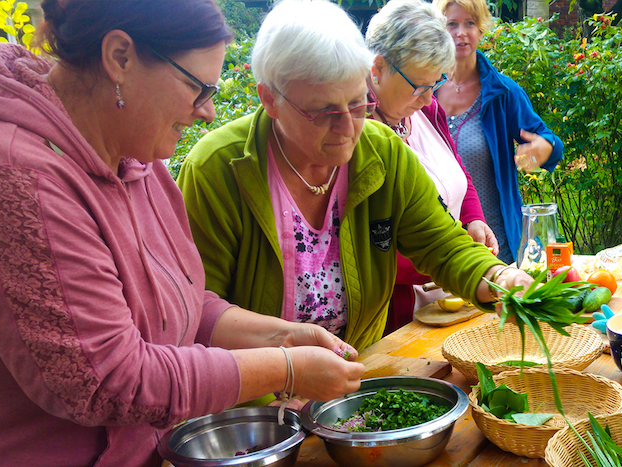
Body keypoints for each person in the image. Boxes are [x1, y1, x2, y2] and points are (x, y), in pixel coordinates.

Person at [0, 1, 364, 465]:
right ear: (120, 56)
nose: (207, 112)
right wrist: (286, 368)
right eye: (197, 88)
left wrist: (283, 338)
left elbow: (182, 305)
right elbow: (108, 381)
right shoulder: (14, 178)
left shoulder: (138, 156)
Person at [178, 0, 535, 353]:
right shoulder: (217, 169)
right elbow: (196, 307)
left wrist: (500, 279)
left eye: (357, 104)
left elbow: (442, 244)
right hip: (253, 396)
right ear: (270, 99)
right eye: (324, 111)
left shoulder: (382, 151)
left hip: (356, 379)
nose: (348, 128)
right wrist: (284, 362)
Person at [365, 0, 498, 334]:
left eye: (435, 83)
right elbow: (371, 249)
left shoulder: (425, 111)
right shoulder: (356, 134)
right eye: (419, 86)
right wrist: (453, 262)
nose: (428, 97)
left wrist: (473, 219)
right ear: (377, 68)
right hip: (397, 317)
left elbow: (458, 172)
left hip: (457, 295)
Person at [434, 0, 564, 265]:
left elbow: (551, 143)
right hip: (437, 245)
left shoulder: (502, 92)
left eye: (470, 23)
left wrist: (543, 148)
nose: (461, 32)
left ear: (481, 30)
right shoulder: (424, 90)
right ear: (439, 30)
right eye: (452, 24)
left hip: (496, 246)